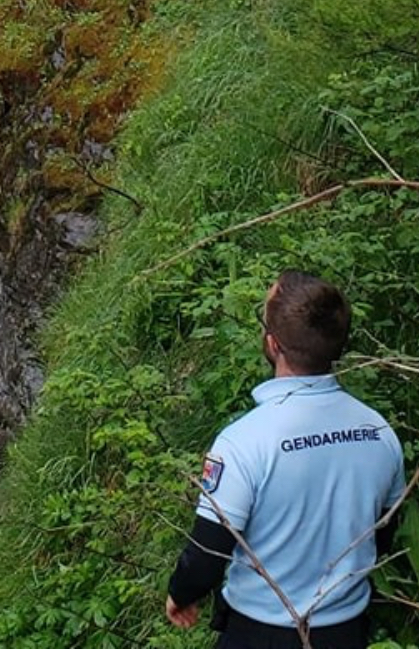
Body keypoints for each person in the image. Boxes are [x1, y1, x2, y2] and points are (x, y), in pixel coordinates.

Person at [165, 271, 405, 648]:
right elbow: (385, 530)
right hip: (346, 629)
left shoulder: (243, 442)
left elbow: (207, 554)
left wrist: (181, 593)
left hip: (260, 631)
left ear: (273, 344)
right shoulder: (379, 432)